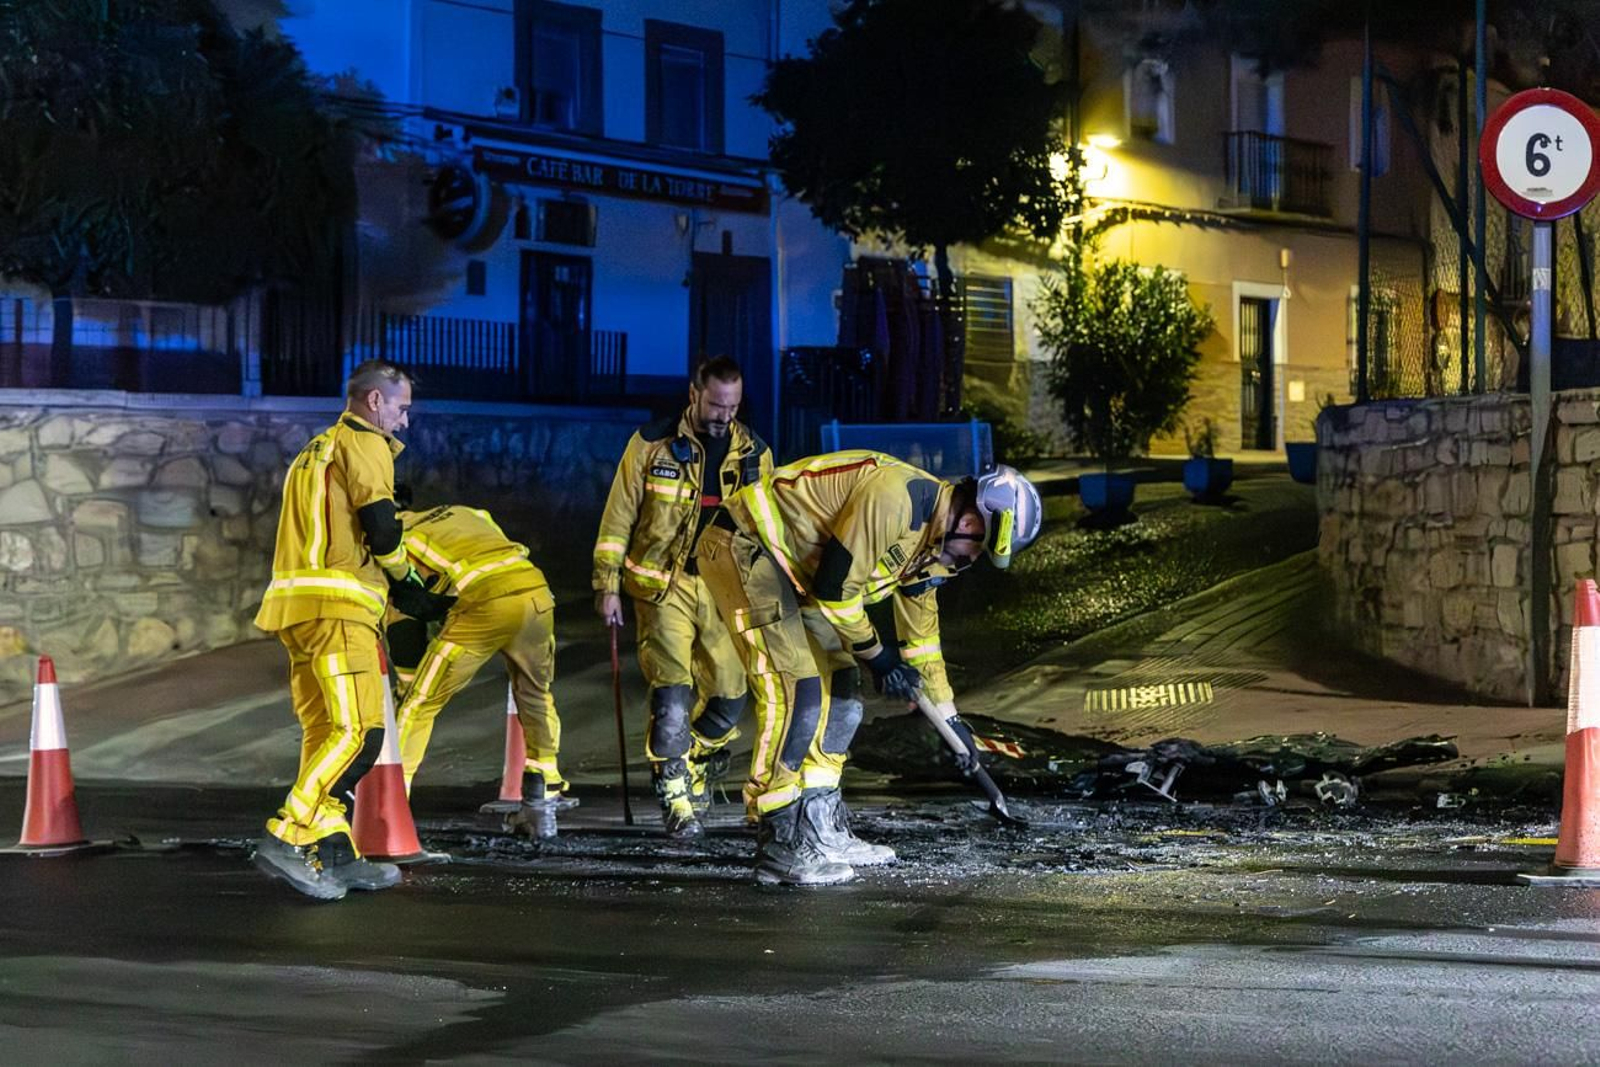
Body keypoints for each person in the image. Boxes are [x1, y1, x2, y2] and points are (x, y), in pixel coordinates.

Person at [694, 453, 1041, 886]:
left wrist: (952, 721)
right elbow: (838, 591)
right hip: (746, 548)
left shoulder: (934, 549)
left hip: (798, 579)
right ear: (971, 518)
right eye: (978, 544)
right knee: (796, 689)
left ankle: (820, 824)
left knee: (844, 691)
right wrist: (878, 655)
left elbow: (922, 643)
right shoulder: (896, 498)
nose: (972, 559)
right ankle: (779, 837)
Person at [250, 359, 453, 901]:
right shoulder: (365, 442)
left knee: (324, 733)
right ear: (374, 402)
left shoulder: (315, 450)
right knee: (359, 732)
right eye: (402, 408)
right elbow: (381, 527)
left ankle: (334, 850)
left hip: (299, 611)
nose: (405, 422)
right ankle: (287, 836)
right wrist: (408, 583)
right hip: (340, 610)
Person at [592, 357, 772, 838]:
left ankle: (693, 760)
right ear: (694, 395)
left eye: (732, 406)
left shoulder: (754, 452)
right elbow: (617, 520)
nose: (724, 416)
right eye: (716, 404)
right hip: (662, 587)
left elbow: (770, 529)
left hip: (724, 589)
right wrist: (606, 585)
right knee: (671, 696)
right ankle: (674, 797)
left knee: (731, 699)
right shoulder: (651, 445)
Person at [390, 500, 569, 837]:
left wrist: (407, 680)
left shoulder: (395, 537)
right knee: (535, 695)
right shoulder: (466, 512)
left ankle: (391, 800)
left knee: (419, 703)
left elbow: (403, 616)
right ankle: (541, 803)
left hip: (485, 604)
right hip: (535, 591)